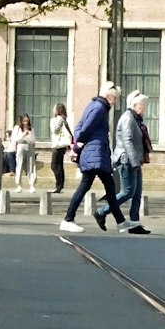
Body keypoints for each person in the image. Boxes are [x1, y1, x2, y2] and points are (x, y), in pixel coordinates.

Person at [58, 82, 129, 234]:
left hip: (95, 152)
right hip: (96, 152)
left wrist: (78, 142)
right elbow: (85, 129)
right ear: (109, 96)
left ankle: (121, 222)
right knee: (94, 185)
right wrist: (81, 142)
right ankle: (68, 219)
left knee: (107, 186)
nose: (115, 101)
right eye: (114, 98)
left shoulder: (93, 105)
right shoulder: (100, 108)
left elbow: (79, 127)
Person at [95, 91, 152, 234]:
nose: (144, 109)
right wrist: (134, 162)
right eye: (142, 106)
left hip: (135, 160)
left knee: (137, 193)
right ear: (134, 105)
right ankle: (101, 212)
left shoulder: (136, 118)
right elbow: (127, 141)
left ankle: (134, 223)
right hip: (126, 160)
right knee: (127, 192)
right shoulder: (128, 118)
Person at [49, 102, 73, 195]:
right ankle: (60, 185)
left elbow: (55, 130)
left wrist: (52, 121)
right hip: (62, 145)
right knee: (59, 165)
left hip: (58, 145)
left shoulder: (59, 119)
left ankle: (58, 185)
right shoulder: (63, 118)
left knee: (54, 165)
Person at [13, 112, 36, 192]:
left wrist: (29, 139)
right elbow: (15, 139)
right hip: (20, 146)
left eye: (27, 120)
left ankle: (32, 185)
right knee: (19, 165)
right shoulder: (17, 128)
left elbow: (33, 140)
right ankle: (19, 185)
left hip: (29, 147)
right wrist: (23, 135)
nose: (26, 122)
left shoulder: (31, 129)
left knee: (31, 166)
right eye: (24, 120)